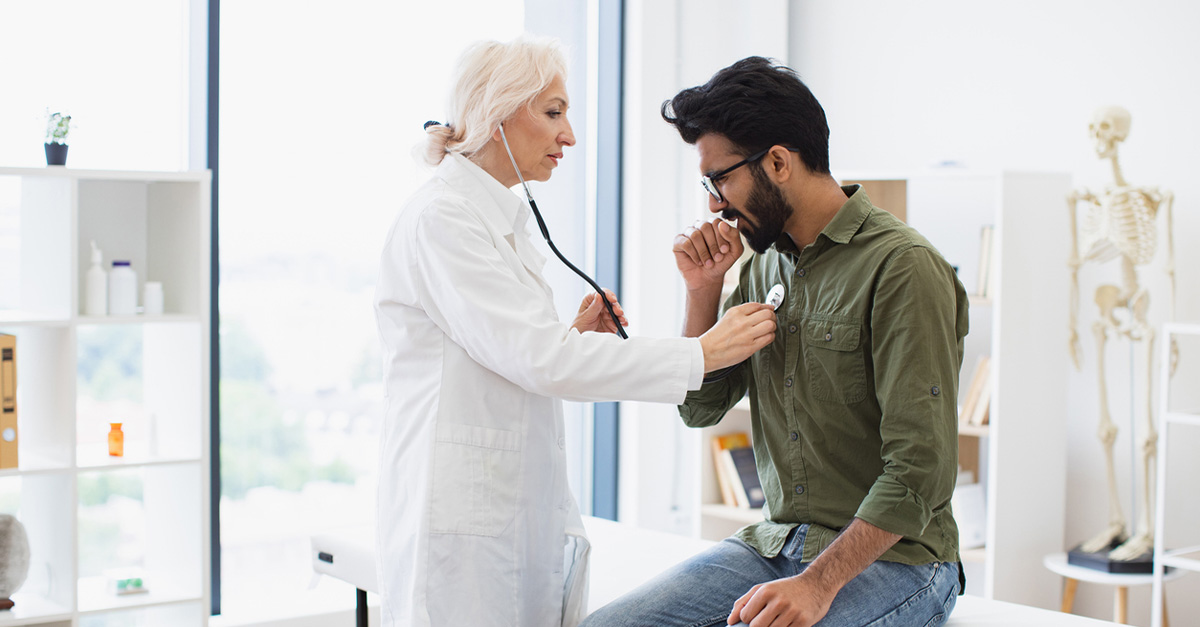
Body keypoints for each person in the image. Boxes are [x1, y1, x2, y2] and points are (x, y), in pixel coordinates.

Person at [373, 37, 777, 627]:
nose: (570, 136)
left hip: (507, 511)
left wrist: (570, 334)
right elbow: (540, 359)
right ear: (499, 111)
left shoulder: (489, 217)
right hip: (461, 527)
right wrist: (702, 352)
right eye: (554, 112)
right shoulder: (444, 219)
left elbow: (509, 353)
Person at [581, 56, 968, 627]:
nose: (714, 203)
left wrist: (817, 585)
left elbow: (919, 471)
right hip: (776, 544)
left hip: (901, 560)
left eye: (721, 179)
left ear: (779, 161)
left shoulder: (903, 267)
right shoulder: (763, 269)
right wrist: (704, 292)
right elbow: (701, 406)